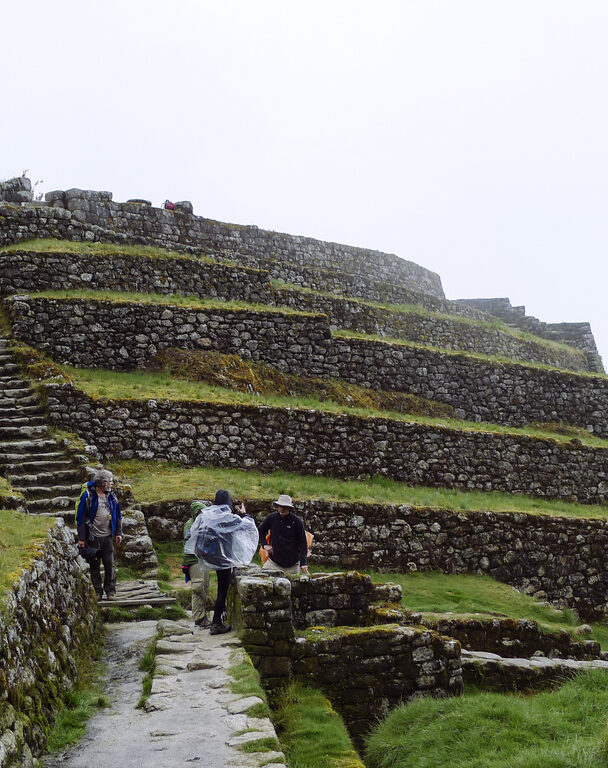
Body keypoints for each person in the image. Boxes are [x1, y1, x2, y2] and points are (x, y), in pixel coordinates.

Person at [76, 469, 122, 600]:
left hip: (107, 536)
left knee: (110, 563)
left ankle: (110, 591)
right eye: (110, 481)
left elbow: (118, 516)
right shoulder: (88, 496)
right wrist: (81, 538)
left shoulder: (112, 496)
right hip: (93, 537)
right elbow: (81, 517)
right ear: (102, 483)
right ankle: (98, 591)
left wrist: (118, 532)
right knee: (95, 565)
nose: (112, 483)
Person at [258, 494, 309, 576]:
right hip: (273, 563)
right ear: (277, 506)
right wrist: (265, 545)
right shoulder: (272, 518)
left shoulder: (296, 521)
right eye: (280, 506)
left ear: (289, 508)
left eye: (285, 506)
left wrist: (303, 563)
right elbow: (260, 531)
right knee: (262, 581)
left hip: (293, 565)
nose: (282, 509)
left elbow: (303, 543)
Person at [182, 500, 211, 628]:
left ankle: (202, 615)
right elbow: (190, 541)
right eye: (200, 512)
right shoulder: (190, 524)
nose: (202, 514)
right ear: (195, 512)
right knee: (198, 587)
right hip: (193, 560)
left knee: (204, 587)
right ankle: (199, 618)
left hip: (202, 559)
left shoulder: (202, 523)